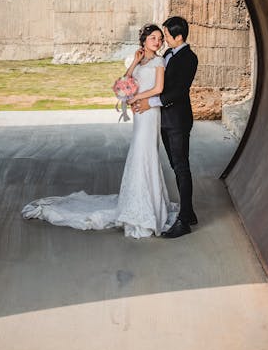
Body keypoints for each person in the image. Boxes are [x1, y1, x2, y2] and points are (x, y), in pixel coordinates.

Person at [21, 24, 178, 238]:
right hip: (140, 115)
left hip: (149, 113)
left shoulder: (159, 61)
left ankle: (148, 207)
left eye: (160, 38)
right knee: (138, 154)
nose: (157, 42)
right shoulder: (140, 61)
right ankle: (135, 200)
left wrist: (137, 98)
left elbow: (159, 89)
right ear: (143, 40)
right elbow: (125, 83)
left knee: (146, 154)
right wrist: (133, 62)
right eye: (153, 38)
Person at [131, 16, 198, 239]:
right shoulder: (167, 55)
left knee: (181, 167)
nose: (164, 39)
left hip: (177, 121)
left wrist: (149, 102)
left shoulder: (189, 58)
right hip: (163, 120)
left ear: (179, 36)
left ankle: (184, 221)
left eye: (167, 36)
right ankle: (188, 212)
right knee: (175, 165)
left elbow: (178, 92)